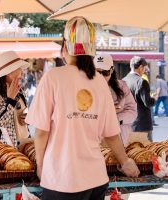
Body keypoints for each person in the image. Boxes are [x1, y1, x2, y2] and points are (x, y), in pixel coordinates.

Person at [26, 16, 139, 200]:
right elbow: (111, 133)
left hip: (62, 179)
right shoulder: (100, 82)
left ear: (65, 46)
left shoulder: (53, 78)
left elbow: (41, 132)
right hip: (96, 179)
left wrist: (40, 165)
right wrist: (125, 161)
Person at [0, 51, 30, 148]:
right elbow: (0, 122)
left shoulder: (20, 91)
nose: (22, 72)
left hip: (22, 146)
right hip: (1, 150)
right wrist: (10, 100)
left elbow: (25, 115)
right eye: (19, 68)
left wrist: (26, 118)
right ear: (9, 72)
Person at [94, 54, 137, 146]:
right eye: (97, 72)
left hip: (122, 137)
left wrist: (115, 119)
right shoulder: (86, 88)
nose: (101, 76)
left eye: (105, 73)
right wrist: (109, 111)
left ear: (112, 70)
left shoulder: (122, 86)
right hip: (98, 139)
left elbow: (132, 111)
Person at [123, 56, 156, 142]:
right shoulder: (141, 81)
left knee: (132, 152)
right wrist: (154, 99)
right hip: (142, 124)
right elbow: (148, 102)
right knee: (146, 152)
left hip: (127, 124)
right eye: (145, 68)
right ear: (141, 67)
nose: (145, 70)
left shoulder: (123, 81)